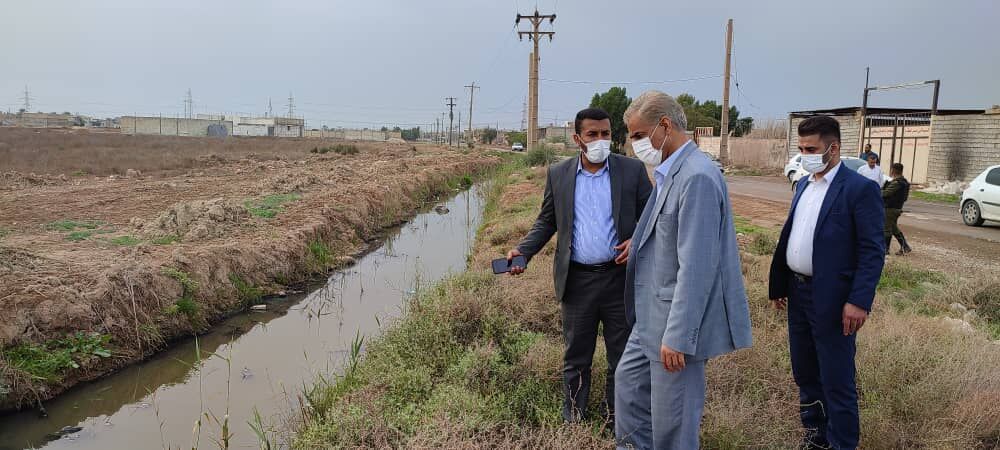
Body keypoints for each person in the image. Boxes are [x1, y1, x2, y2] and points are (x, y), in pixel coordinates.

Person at [614, 91, 752, 449]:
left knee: (673, 421)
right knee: (628, 390)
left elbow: (698, 266)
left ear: (665, 125)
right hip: (649, 315)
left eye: (638, 135)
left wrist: (678, 336)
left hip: (673, 323)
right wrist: (642, 242)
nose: (634, 145)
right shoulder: (668, 172)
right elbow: (669, 233)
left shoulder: (697, 177)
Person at [507, 107, 653, 424]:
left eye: (606, 134)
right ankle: (574, 417)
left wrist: (638, 240)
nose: (601, 140)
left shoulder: (632, 171)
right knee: (576, 357)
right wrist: (523, 252)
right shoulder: (559, 174)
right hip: (577, 282)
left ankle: (619, 418)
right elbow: (547, 221)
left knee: (622, 357)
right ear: (578, 138)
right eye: (592, 134)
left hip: (619, 280)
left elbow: (656, 219)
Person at [769, 116, 885, 449]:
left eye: (811, 149)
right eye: (801, 148)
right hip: (798, 292)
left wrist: (859, 301)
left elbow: (872, 250)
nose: (804, 155)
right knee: (805, 372)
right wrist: (780, 286)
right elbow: (794, 236)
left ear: (833, 148)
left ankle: (842, 443)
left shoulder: (859, 190)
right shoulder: (804, 185)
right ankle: (816, 435)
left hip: (834, 300)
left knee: (836, 380)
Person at [882, 162, 912, 255]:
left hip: (890, 209)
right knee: (894, 228)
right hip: (897, 208)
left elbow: (886, 193)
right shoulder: (905, 182)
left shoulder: (897, 183)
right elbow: (905, 198)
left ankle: (885, 249)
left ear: (893, 170)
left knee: (887, 229)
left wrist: (876, 191)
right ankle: (905, 247)